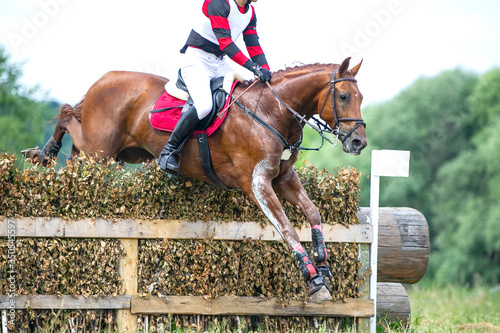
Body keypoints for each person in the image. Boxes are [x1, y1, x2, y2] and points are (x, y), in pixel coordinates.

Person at [158, 0, 272, 173]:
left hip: (220, 63)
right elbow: (225, 42)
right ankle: (169, 151)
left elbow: (253, 45)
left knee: (245, 98)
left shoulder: (250, 12)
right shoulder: (218, 3)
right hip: (197, 60)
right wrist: (253, 68)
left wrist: (267, 72)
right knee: (204, 106)